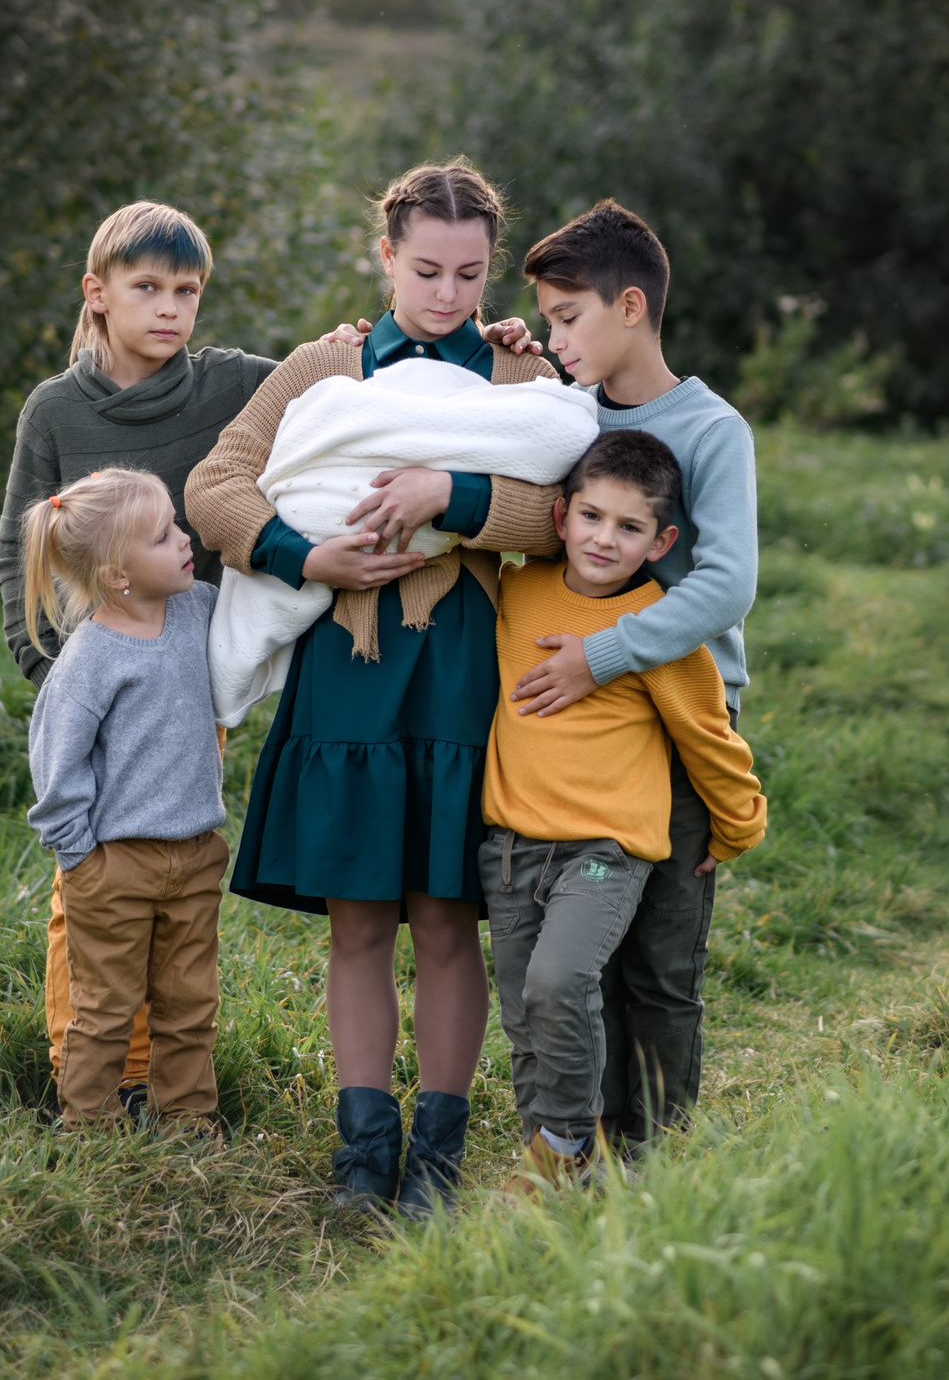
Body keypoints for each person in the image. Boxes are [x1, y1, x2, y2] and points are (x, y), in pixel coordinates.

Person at [0, 200, 538, 1118]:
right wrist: (52, 670)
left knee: (206, 869)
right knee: (101, 886)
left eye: (471, 274)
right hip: (199, 672)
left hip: (322, 668)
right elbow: (79, 526)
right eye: (148, 289)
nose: (170, 309)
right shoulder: (71, 406)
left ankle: (211, 1088)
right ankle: (100, 1078)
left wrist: (445, 472)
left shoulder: (236, 381)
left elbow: (554, 491)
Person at [186, 159, 565, 1217]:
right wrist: (308, 558)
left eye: (471, 274)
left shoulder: (516, 379)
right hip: (345, 672)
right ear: (385, 255)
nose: (449, 296)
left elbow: (568, 508)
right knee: (357, 919)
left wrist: (454, 491)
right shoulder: (324, 365)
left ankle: (436, 1159)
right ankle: (362, 1153)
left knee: (444, 917)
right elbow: (215, 484)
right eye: (428, 270)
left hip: (457, 673)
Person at [512, 200, 762, 1150]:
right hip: (572, 735)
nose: (553, 336)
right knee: (583, 960)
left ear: (629, 307)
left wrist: (602, 655)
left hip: (679, 723)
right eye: (544, 319)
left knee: (658, 959)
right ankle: (579, 1136)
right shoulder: (560, 415)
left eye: (565, 318)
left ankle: (652, 1156)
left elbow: (728, 582)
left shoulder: (711, 429)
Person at [482, 430, 766, 1183]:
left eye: (630, 526)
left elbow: (711, 739)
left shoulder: (657, 632)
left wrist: (737, 825)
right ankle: (555, 1160)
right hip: (510, 847)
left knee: (559, 981)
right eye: (592, 516)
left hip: (606, 853)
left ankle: (568, 1144)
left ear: (661, 539)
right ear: (560, 517)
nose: (605, 538)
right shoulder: (514, 592)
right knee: (524, 1014)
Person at [18, 467, 229, 1130]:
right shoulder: (90, 659)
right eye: (164, 534)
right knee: (107, 1007)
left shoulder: (200, 606)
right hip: (114, 867)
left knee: (190, 1001)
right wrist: (80, 858)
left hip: (195, 855)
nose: (185, 537)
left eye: (177, 522)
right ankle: (89, 1124)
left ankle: (190, 1120)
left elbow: (263, 623)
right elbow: (56, 766)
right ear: (117, 575)